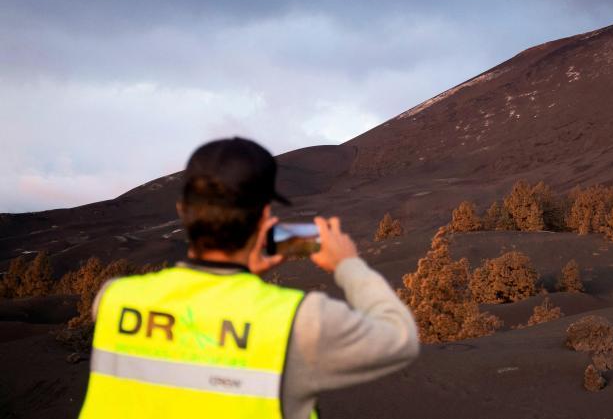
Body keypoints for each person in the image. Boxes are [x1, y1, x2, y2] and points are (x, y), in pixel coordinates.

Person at [78, 137, 419, 418]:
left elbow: (191, 331)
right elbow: (400, 338)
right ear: (264, 219)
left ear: (183, 211)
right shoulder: (297, 322)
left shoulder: (113, 299)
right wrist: (347, 264)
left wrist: (240, 277)